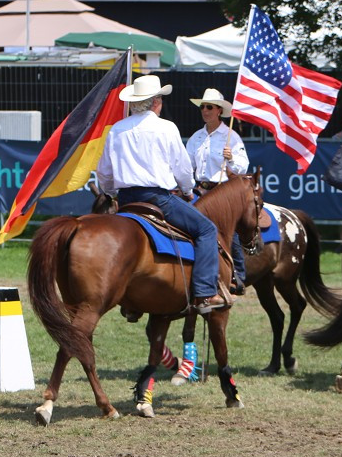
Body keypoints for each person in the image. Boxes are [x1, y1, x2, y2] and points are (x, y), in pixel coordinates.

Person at [96, 75, 226, 313]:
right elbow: (182, 168)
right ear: (156, 101)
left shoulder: (116, 130)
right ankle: (206, 293)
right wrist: (187, 190)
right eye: (161, 99)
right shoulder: (166, 127)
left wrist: (112, 193)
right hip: (158, 199)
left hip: (126, 202)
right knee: (207, 229)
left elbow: (104, 172)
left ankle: (131, 301)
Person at [185, 88, 249, 294]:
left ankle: (238, 273)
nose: (205, 110)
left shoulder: (231, 136)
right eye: (203, 106)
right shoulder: (196, 137)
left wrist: (231, 158)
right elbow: (188, 166)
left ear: (219, 111)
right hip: (199, 190)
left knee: (229, 232)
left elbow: (243, 167)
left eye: (209, 107)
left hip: (221, 192)